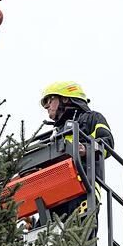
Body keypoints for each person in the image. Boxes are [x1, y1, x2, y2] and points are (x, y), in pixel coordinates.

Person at [39, 81, 114, 223]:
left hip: (84, 186)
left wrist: (86, 149)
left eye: (49, 100)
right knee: (42, 231)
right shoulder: (54, 133)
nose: (46, 106)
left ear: (65, 98)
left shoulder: (92, 118)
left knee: (80, 231)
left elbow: (107, 144)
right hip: (54, 193)